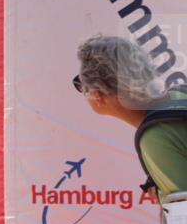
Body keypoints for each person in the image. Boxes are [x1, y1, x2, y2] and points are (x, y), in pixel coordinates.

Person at [74, 36, 187, 203]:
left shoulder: (154, 137)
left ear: (97, 94)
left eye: (80, 84)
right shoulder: (181, 93)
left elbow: (183, 214)